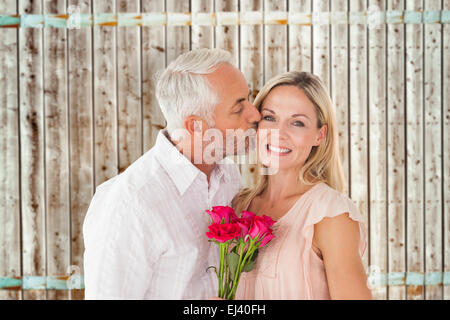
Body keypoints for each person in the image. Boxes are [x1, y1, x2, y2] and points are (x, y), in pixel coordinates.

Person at [82, 48, 261, 299]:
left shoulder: (227, 174)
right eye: (238, 108)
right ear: (196, 126)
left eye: (249, 99)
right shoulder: (129, 205)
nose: (256, 114)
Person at [232, 71, 372, 300]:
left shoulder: (330, 215)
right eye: (270, 118)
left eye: (297, 123)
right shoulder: (237, 204)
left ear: (320, 135)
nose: (279, 133)